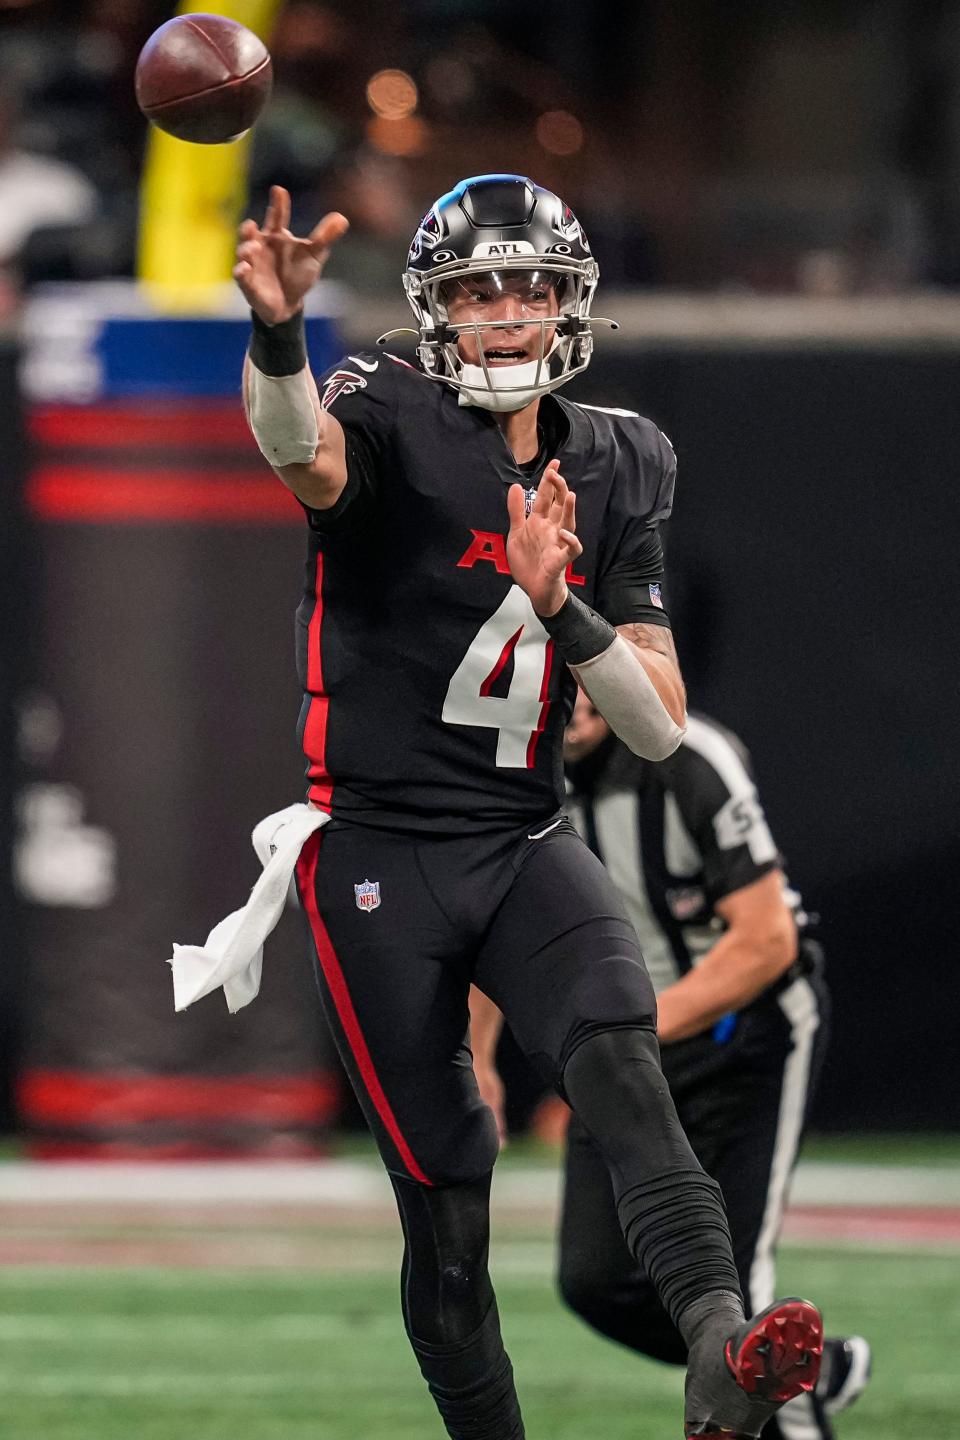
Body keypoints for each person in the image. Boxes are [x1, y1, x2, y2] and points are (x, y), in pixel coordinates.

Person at [232, 171, 823, 1439]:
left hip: (521, 837)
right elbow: (295, 452)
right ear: (437, 309)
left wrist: (567, 608)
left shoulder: (621, 457)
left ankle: (724, 1352)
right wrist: (279, 334)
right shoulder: (381, 406)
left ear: (572, 304)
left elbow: (657, 722)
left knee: (626, 1071)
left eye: (532, 287)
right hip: (377, 858)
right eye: (480, 289)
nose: (506, 312)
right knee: (448, 1199)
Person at [471, 692, 871, 1439]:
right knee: (594, 1282)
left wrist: (619, 1041)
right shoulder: (511, 773)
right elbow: (495, 917)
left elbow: (765, 942)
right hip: (623, 1037)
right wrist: (480, 1059)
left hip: (746, 1032)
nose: (579, 697)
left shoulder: (687, 758)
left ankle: (774, 1409)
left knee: (733, 1286)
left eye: (589, 672)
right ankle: (801, 1378)